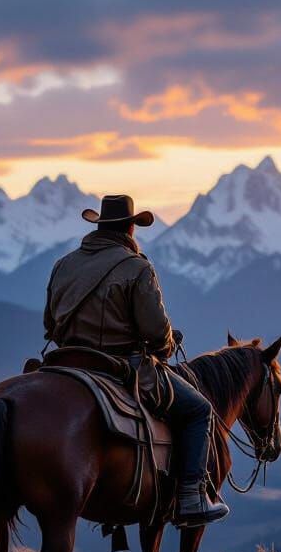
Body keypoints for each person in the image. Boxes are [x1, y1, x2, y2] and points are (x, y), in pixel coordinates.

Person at [43, 194, 229, 527]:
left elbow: (50, 324)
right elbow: (156, 331)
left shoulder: (63, 264)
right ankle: (190, 497)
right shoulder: (136, 267)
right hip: (120, 366)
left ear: (100, 226)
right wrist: (168, 342)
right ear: (130, 228)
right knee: (199, 409)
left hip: (65, 362)